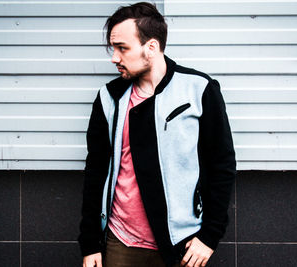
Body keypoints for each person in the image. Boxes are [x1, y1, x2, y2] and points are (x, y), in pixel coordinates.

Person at [78, 2, 236, 267]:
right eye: (113, 48)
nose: (114, 58)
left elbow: (222, 165)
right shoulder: (109, 98)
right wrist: (90, 243)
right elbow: (96, 172)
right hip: (121, 243)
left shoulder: (198, 89)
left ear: (151, 47)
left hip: (182, 243)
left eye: (122, 48)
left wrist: (209, 237)